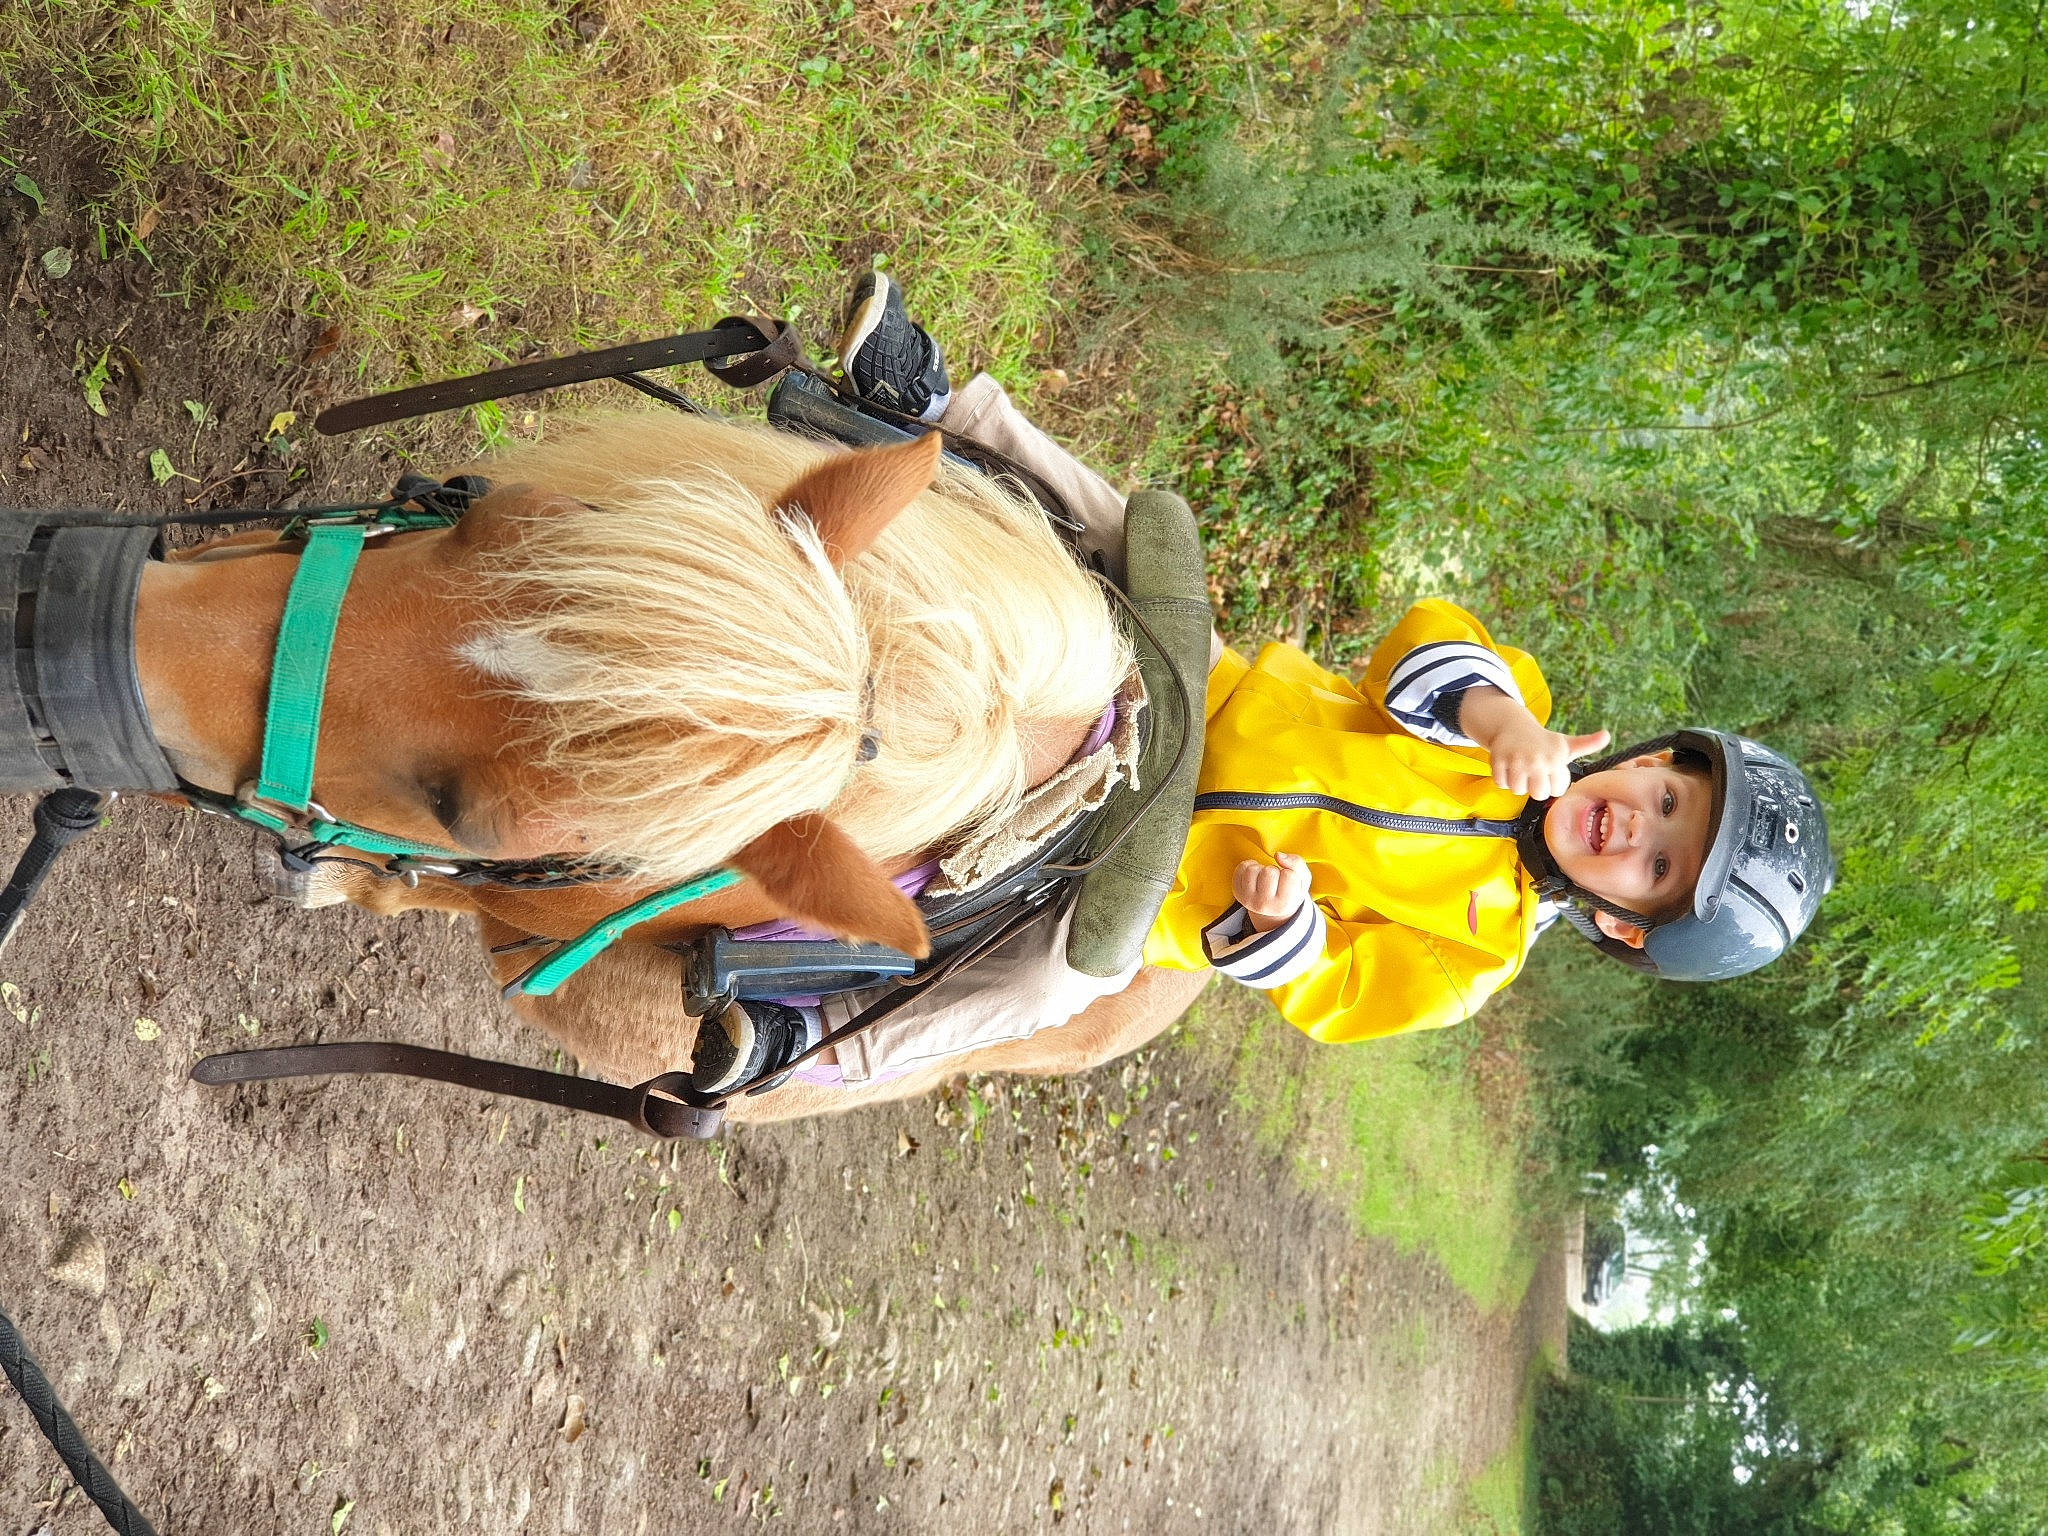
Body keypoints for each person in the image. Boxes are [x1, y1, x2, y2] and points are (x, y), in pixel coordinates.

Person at [684, 271, 1833, 1085]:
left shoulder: (1469, 959)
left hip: (1155, 878)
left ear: (1626, 927)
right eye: (1667, 798)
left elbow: (1336, 995)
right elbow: (1416, 646)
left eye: (1658, 863)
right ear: (1653, 758)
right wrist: (1492, 712)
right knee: (1113, 525)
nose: (1635, 824)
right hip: (1201, 692)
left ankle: (812, 1042)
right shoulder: (1508, 718)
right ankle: (929, 406)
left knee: (1039, 992)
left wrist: (1279, 931)